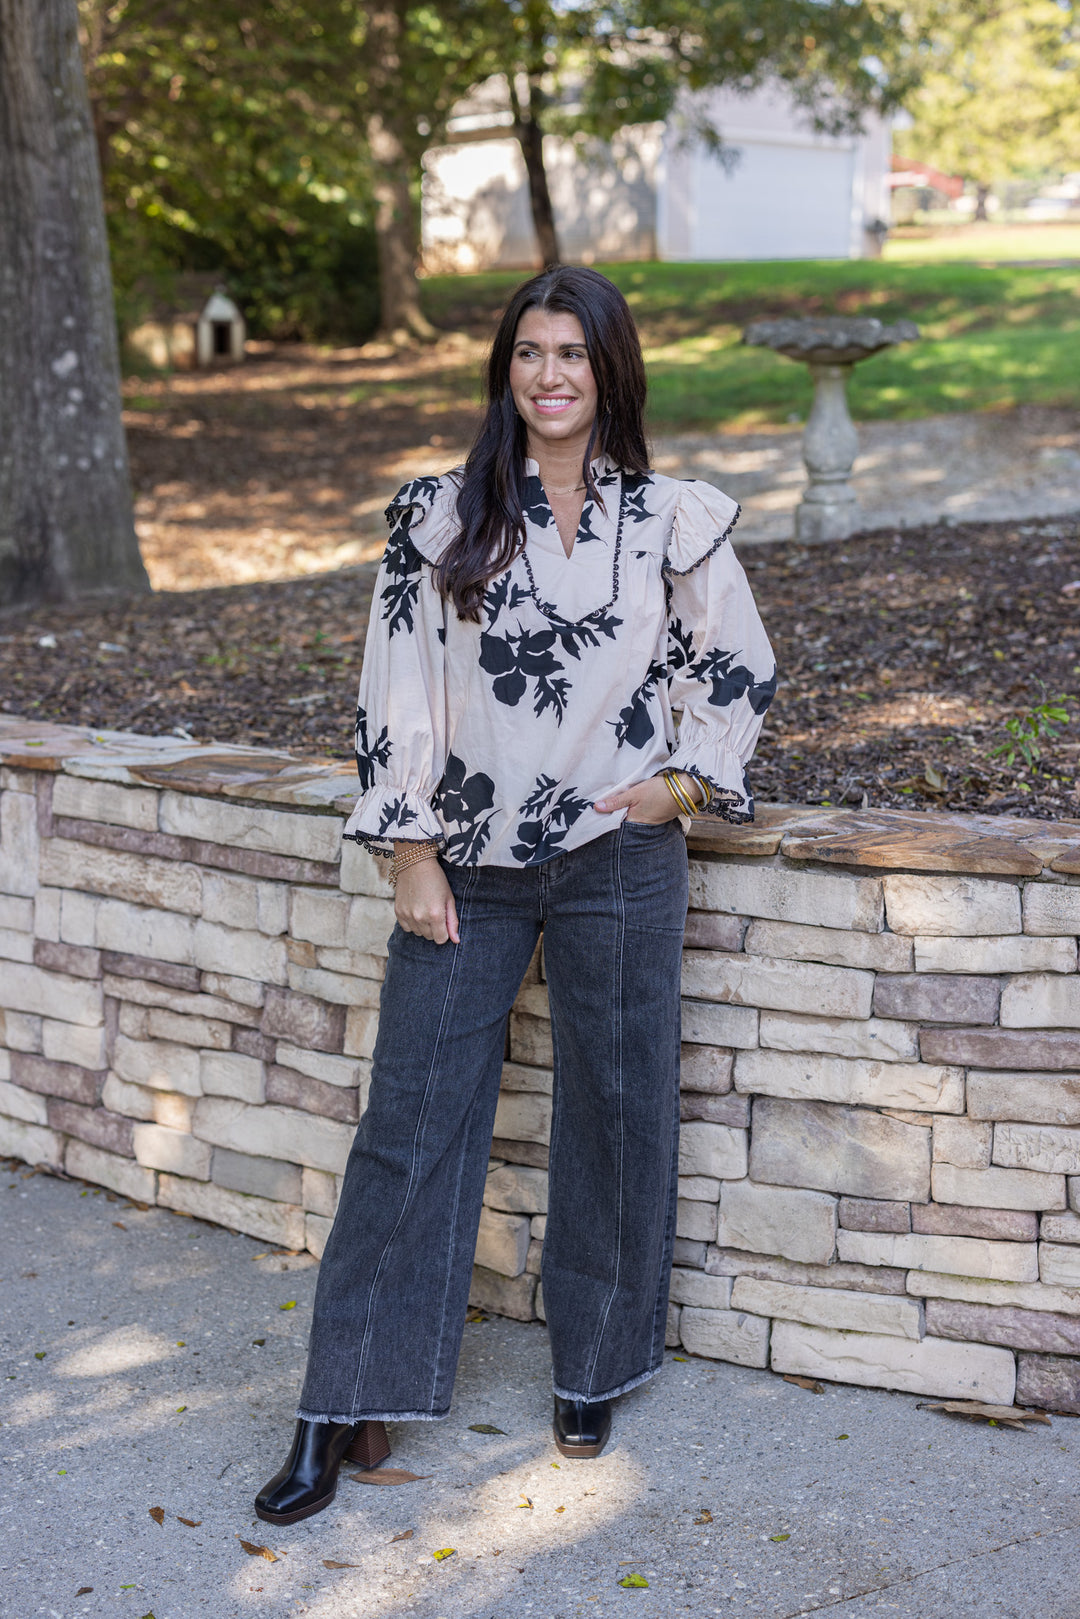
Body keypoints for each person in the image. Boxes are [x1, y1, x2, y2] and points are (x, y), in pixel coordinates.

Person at [255, 265, 776, 1526]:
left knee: (618, 1100)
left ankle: (594, 1365)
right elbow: (399, 693)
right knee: (411, 1119)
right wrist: (409, 848)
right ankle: (339, 1401)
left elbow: (737, 662)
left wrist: (680, 790)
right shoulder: (440, 514)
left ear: (610, 374)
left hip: (618, 853)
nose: (550, 375)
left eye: (574, 355)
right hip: (468, 865)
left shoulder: (670, 517)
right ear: (506, 370)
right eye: (530, 352)